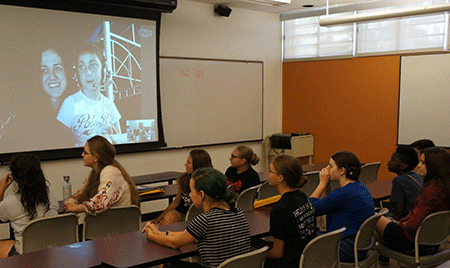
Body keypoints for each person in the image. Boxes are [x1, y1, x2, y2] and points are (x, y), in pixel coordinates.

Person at [143, 167, 252, 268]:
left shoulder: (205, 220)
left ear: (202, 194)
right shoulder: (238, 213)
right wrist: (158, 232)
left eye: (191, 190)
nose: (189, 195)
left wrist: (151, 234)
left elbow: (174, 242)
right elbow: (186, 235)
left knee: (168, 264)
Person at [375, 147, 450, 256]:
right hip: (433, 243)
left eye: (423, 163)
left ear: (434, 166)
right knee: (374, 231)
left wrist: (400, 223)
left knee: (372, 216)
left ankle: (356, 257)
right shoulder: (444, 186)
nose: (418, 166)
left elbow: (411, 225)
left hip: (413, 244)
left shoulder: (431, 191)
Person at [309, 151, 375, 262]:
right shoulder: (360, 186)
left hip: (345, 248)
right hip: (359, 246)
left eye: (331, 166)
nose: (327, 168)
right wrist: (327, 184)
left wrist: (321, 183)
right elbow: (327, 203)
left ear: (342, 171)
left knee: (300, 238)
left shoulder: (343, 193)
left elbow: (310, 210)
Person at [57, 42, 121, 146]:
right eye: (81, 66)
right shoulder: (70, 103)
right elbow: (60, 141)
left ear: (103, 70)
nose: (88, 72)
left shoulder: (109, 105)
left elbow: (120, 138)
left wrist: (111, 131)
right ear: (76, 73)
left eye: (93, 65)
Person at [0, 154, 59, 258]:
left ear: (14, 176)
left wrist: (1, 189)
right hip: (52, 252)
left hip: (26, 257)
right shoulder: (49, 195)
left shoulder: (10, 202)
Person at [63, 135, 139, 215]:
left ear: (96, 157)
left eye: (85, 152)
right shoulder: (93, 174)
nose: (82, 155)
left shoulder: (110, 172)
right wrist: (70, 204)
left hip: (117, 224)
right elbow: (79, 195)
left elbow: (100, 204)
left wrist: (76, 208)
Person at [264, 155, 316, 268]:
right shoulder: (303, 197)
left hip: (289, 263)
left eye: (270, 171)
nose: (267, 173)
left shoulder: (280, 209)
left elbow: (277, 253)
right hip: (306, 259)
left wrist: (258, 255)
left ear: (280, 178)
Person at [152, 149, 213, 225]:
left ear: (197, 165)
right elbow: (175, 202)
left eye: (189, 162)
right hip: (181, 213)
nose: (185, 164)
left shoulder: (209, 183)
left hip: (199, 216)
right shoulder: (185, 179)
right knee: (169, 218)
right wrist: (158, 219)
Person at [387, 146, 422, 220]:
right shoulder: (415, 176)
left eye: (393, 159)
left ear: (403, 165)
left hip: (410, 220)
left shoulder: (399, 181)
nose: (388, 161)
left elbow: (399, 212)